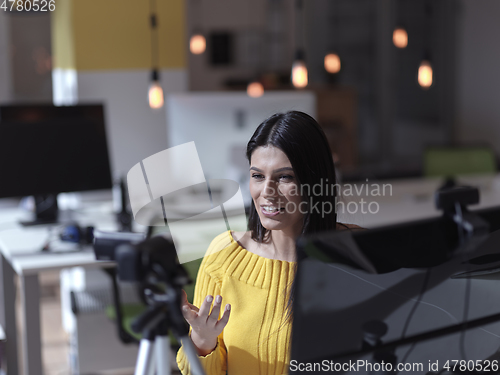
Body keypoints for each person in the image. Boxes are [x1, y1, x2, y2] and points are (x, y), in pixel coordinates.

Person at [176, 111, 356, 375]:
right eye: (257, 176)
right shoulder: (224, 255)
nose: (267, 193)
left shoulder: (357, 252)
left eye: (285, 177)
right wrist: (202, 341)